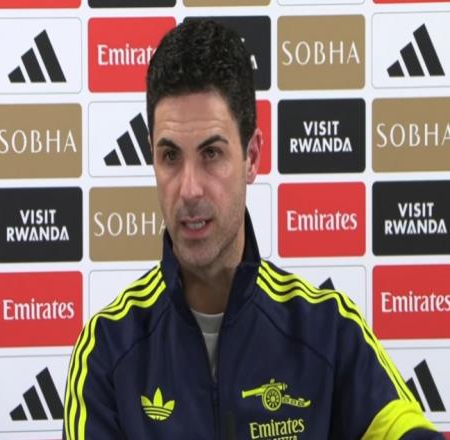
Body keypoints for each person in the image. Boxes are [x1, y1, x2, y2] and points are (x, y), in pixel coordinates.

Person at [63, 19, 443, 439]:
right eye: (170, 156)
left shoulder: (330, 331)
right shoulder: (107, 349)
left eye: (211, 153)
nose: (189, 189)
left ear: (252, 157)